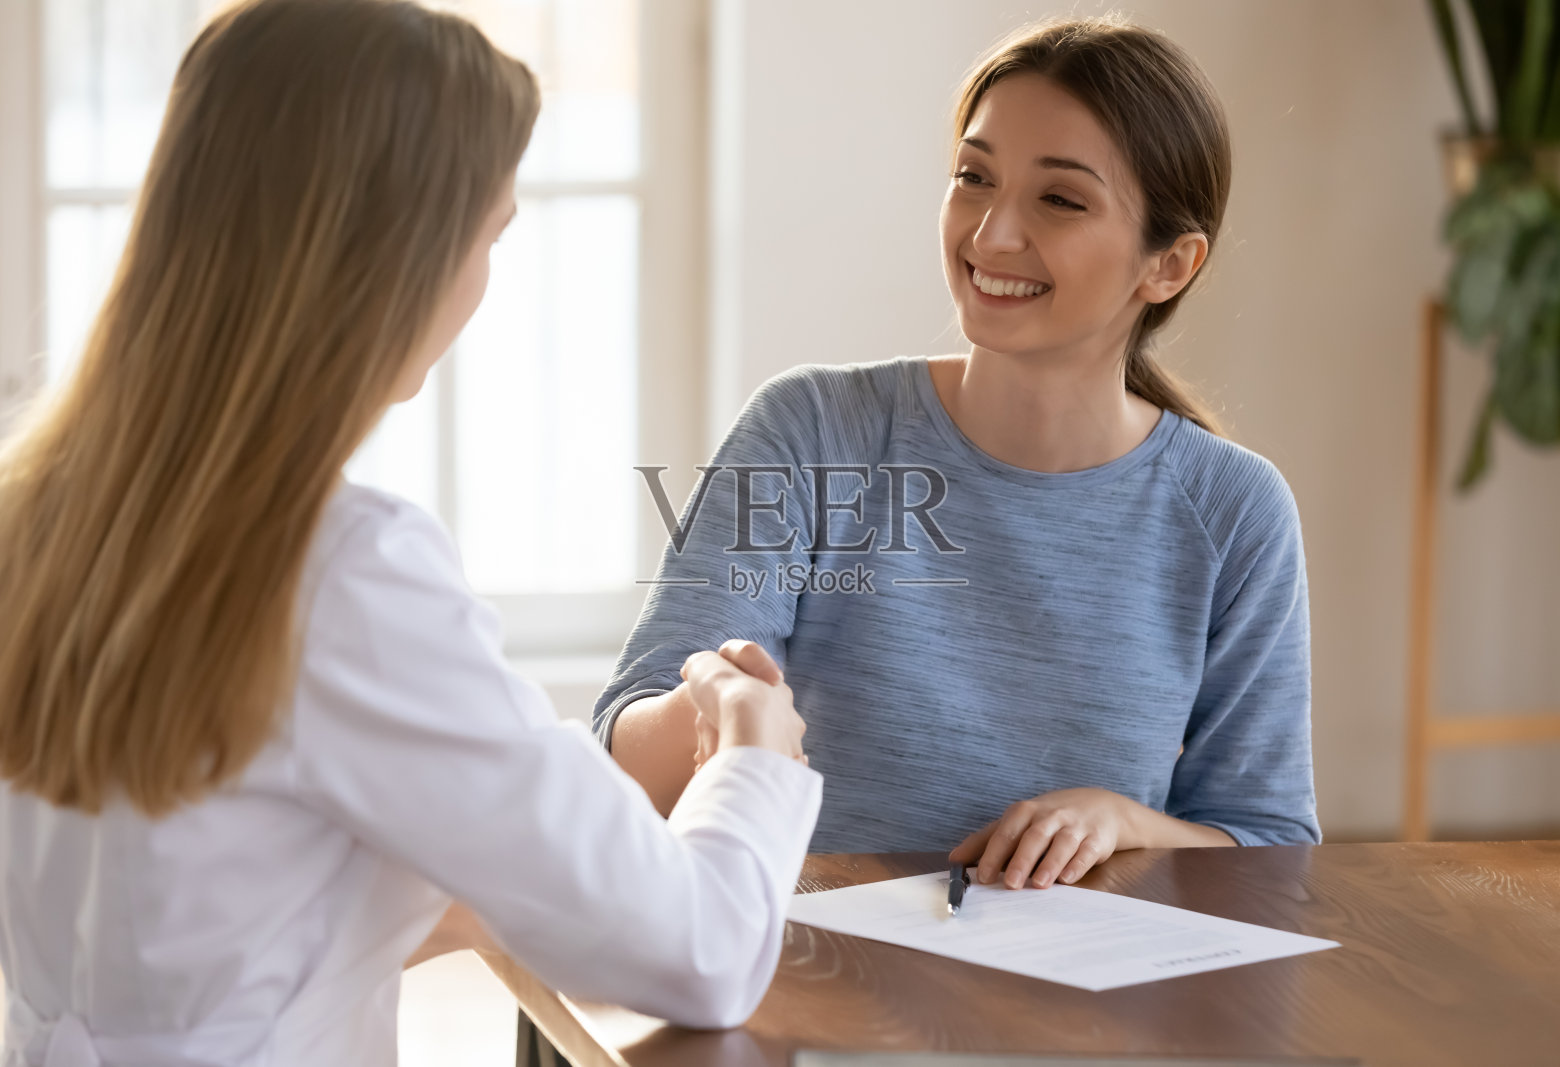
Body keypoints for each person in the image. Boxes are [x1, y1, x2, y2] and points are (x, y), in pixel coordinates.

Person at [0, 2, 816, 1064]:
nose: (479, 287)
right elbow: (701, 953)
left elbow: (237, 871)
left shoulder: (38, 510)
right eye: (488, 235)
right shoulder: (339, 568)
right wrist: (757, 753)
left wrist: (597, 780)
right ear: (394, 257)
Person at [598, 15, 1318, 891]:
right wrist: (713, 705)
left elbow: (1272, 846)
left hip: (1081, 999)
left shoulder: (1234, 512)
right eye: (974, 178)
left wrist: (1126, 821)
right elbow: (624, 767)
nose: (990, 235)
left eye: (1059, 199)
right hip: (817, 975)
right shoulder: (813, 430)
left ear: (1168, 265)